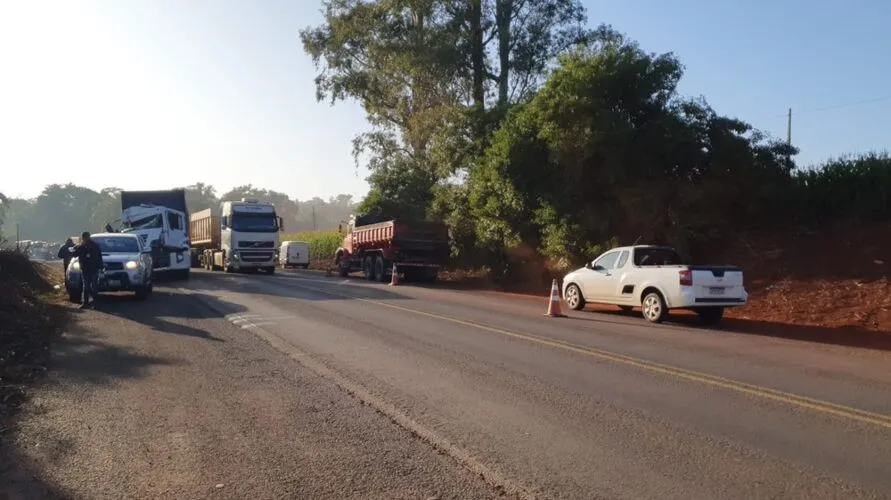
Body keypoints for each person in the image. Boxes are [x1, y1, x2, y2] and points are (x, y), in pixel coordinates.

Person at [72, 232, 103, 309]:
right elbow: (75, 254)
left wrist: (100, 267)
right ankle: (88, 303)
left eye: (85, 238)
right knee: (87, 286)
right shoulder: (82, 246)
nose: (85, 239)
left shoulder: (93, 246)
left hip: (92, 268)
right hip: (87, 269)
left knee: (92, 286)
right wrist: (76, 248)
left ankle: (93, 303)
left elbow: (99, 257)